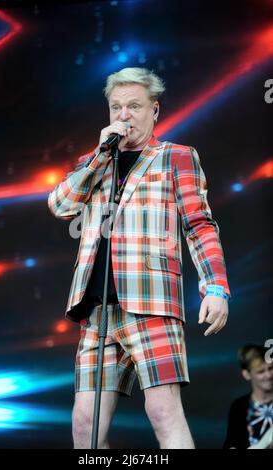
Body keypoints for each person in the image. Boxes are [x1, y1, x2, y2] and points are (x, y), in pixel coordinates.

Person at [48, 67, 231, 449]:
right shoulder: (96, 160)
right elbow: (61, 205)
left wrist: (214, 287)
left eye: (134, 106)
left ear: (155, 110)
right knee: (84, 422)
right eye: (116, 107)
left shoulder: (176, 157)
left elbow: (199, 225)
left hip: (151, 301)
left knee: (163, 411)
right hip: (97, 308)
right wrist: (100, 155)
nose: (124, 115)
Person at [223, 344, 273, 449]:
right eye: (261, 372)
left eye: (270, 368)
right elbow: (231, 443)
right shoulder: (239, 406)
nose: (268, 375)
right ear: (246, 374)